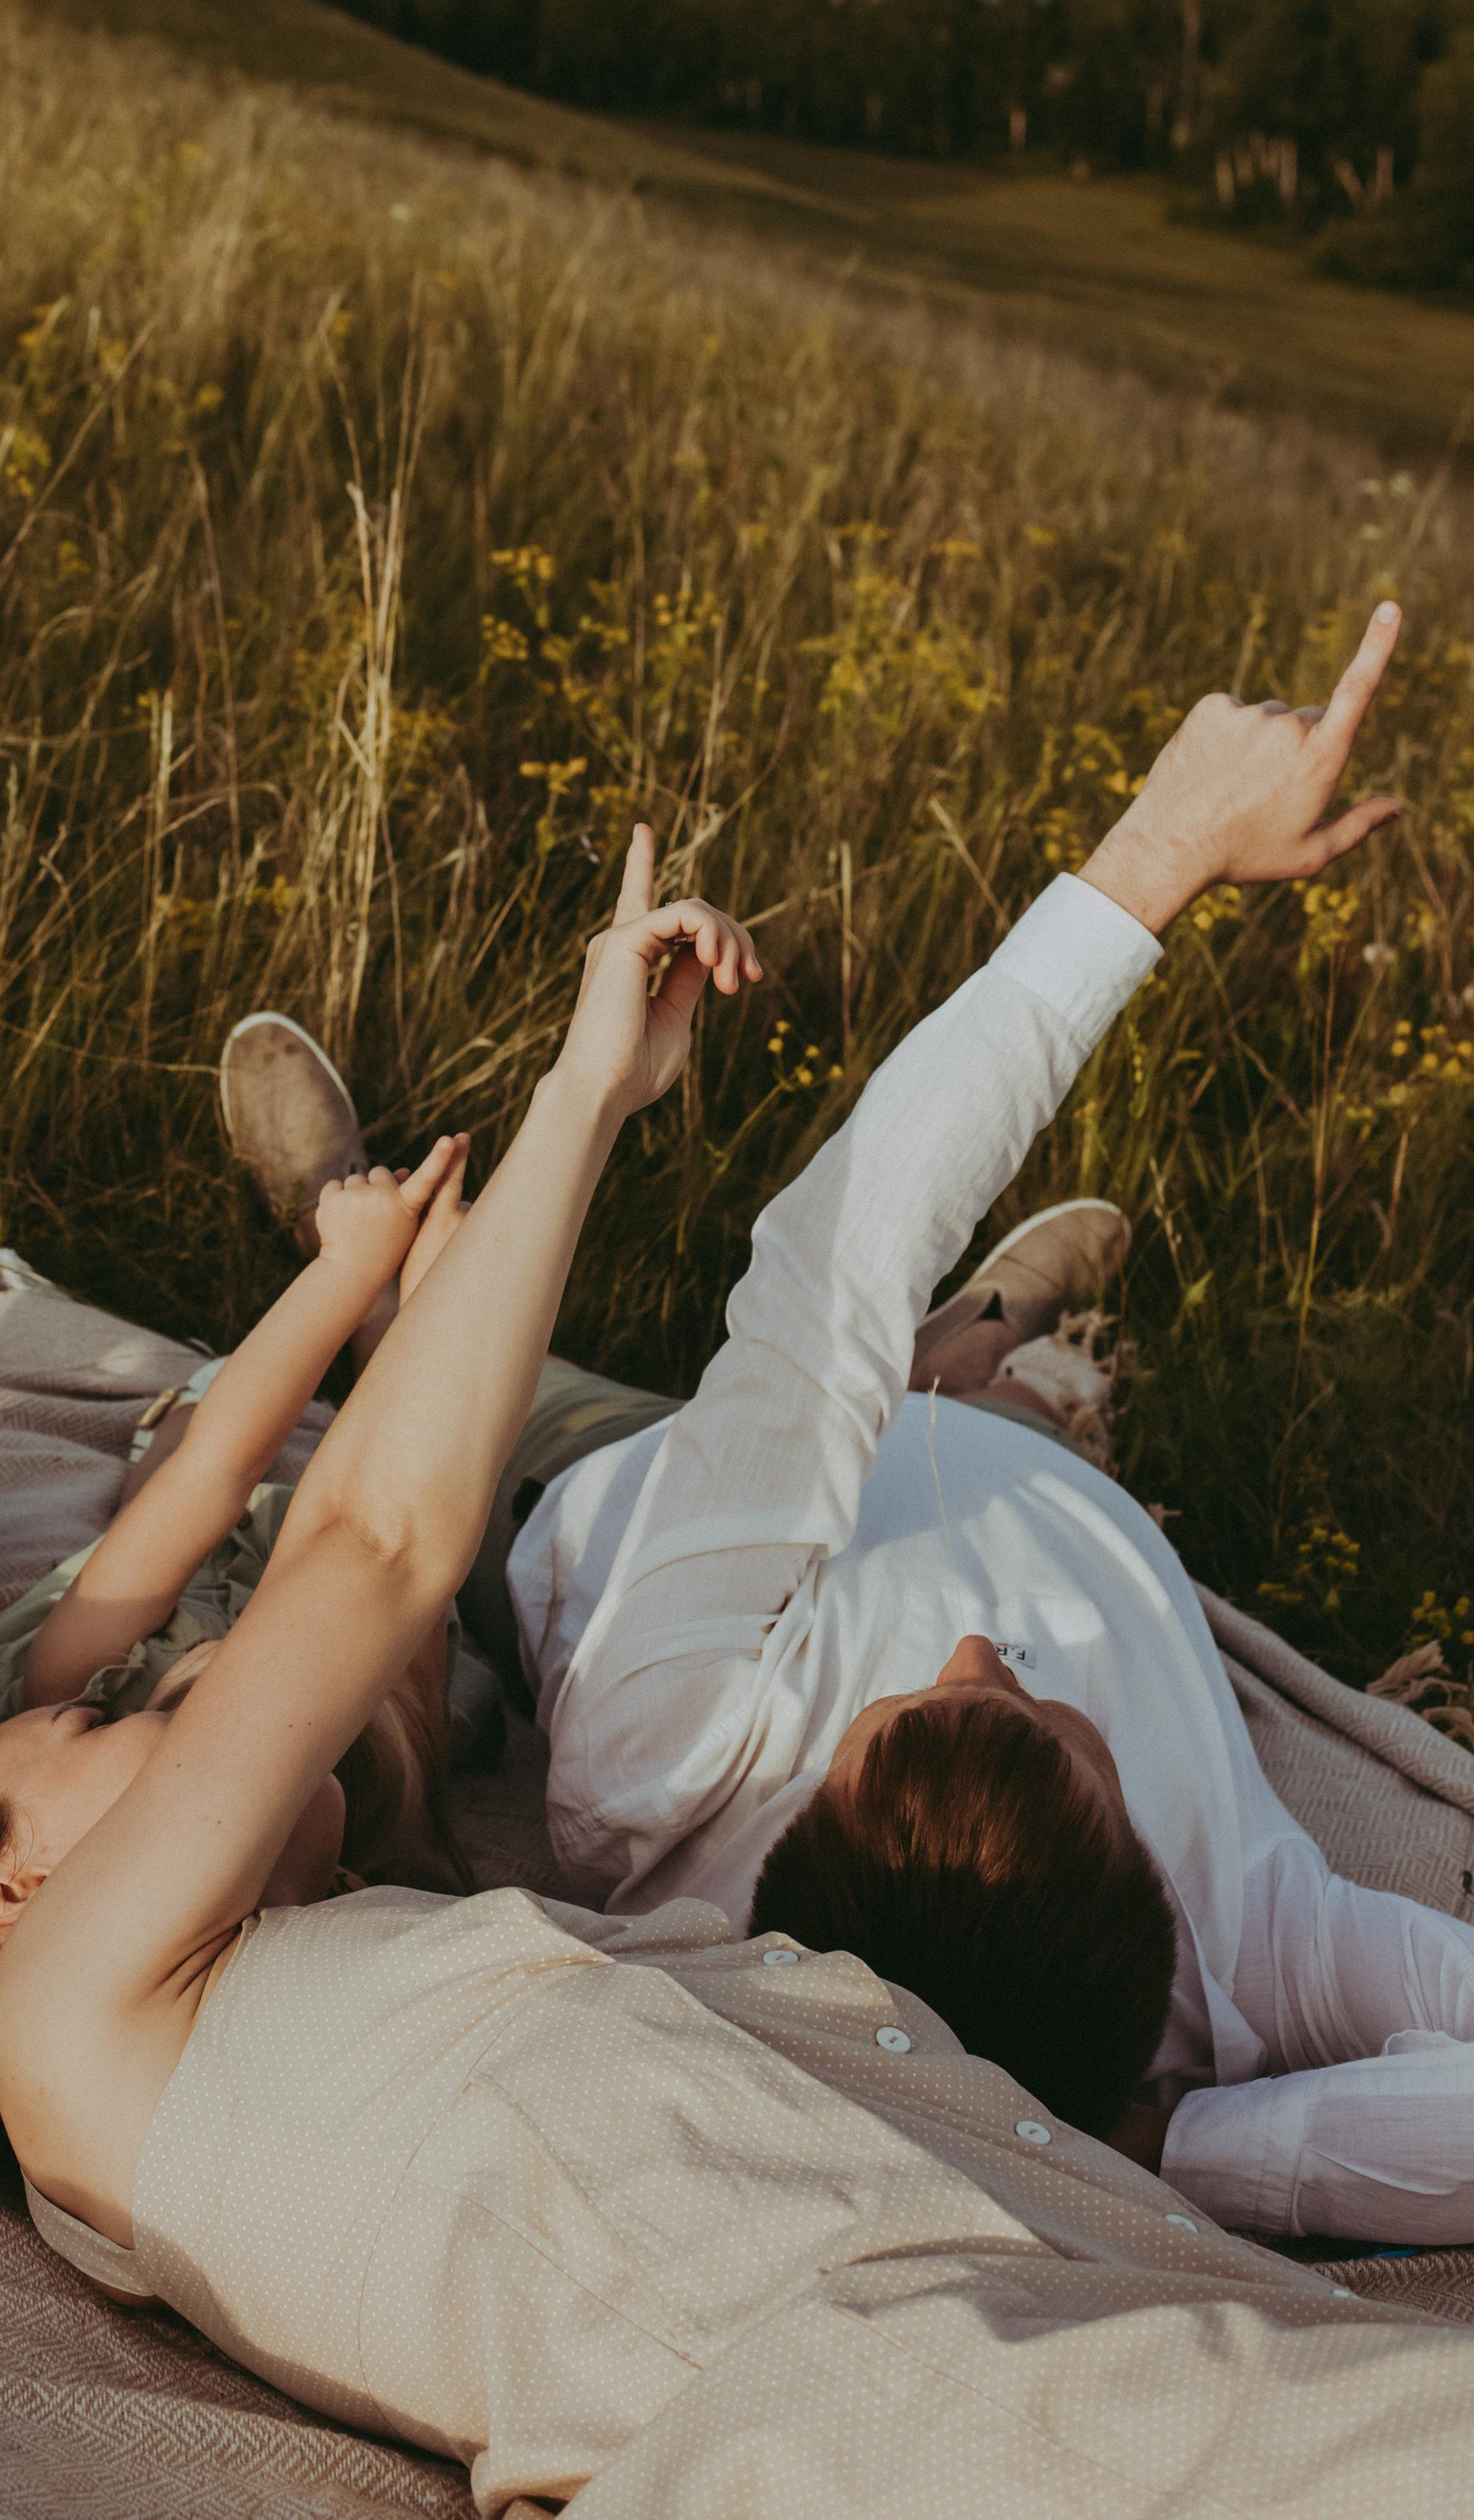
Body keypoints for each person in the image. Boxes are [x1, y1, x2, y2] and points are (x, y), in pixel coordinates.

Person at [0, 701, 1474, 2516]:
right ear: (6, 1896)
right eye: (87, 1726)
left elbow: (386, 1553)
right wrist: (584, 1089)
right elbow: (371, 1544)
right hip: (875, 2385)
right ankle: (885, 1340)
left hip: (948, 2300)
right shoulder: (74, 2013)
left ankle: (409, 1260)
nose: (152, 1706)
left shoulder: (347, 1939)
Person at [501, 602, 1474, 2245]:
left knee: (470, 1371)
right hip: (991, 1469)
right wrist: (1202, 2149)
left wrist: (1157, 852)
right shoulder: (1243, 1939)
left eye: (910, 1717)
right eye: (1033, 1719)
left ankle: (353, 1249)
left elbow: (829, 1272)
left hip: (654, 1488)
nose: (972, 1649)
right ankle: (997, 1355)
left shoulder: (656, 1776)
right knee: (956, 1395)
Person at [0, 1130, 483, 2165]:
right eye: (90, 1725)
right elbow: (396, 1539)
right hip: (355, 1535)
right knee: (428, 1451)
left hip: (193, 1550)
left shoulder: (73, 1681)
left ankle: (337, 1227)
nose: (121, 1716)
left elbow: (219, 1470)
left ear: (9, 1885)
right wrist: (419, 1318)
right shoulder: (380, 1811)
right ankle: (380, 1301)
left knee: (178, 1465)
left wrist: (344, 1268)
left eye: (87, 1727)